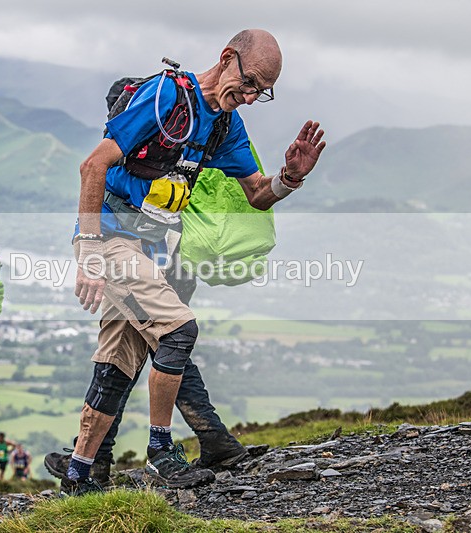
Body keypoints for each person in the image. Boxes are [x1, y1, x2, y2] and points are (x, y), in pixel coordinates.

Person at [63, 29, 326, 496]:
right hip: (112, 237)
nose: (250, 97)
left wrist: (289, 177)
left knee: (118, 361)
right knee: (178, 329)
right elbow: (93, 165)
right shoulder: (165, 97)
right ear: (227, 58)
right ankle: (161, 451)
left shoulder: (226, 125)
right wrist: (88, 253)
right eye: (250, 83)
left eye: (262, 92)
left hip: (153, 246)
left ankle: (78, 477)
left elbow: (257, 194)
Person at [44, 268, 246, 487]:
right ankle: (215, 439)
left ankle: (93, 462)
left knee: (122, 355)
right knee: (165, 351)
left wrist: (89, 263)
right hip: (173, 269)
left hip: (141, 269)